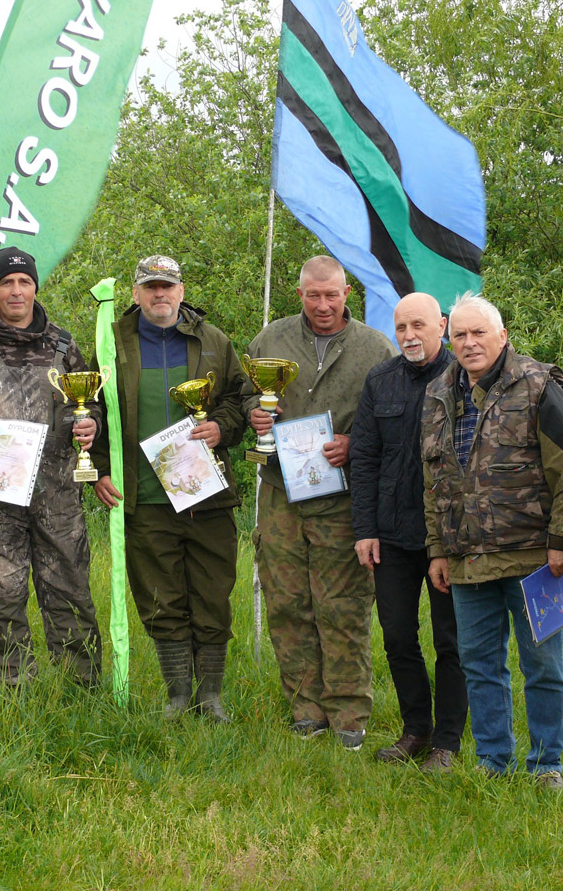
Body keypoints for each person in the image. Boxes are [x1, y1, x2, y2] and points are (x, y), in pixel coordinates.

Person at [422, 292, 563, 787]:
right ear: (449, 338)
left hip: (537, 558)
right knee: (480, 666)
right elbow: (433, 481)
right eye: (460, 335)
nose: (469, 343)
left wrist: (561, 541)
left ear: (502, 336)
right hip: (467, 559)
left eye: (479, 333)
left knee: (542, 666)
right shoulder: (438, 394)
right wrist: (437, 550)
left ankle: (546, 764)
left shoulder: (539, 385)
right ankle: (494, 763)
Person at [245, 255, 396, 751]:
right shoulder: (271, 340)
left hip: (343, 497)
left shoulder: (375, 349)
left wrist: (355, 444)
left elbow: (390, 420)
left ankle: (349, 713)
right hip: (280, 493)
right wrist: (256, 416)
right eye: (314, 295)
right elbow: (247, 395)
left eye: (332, 295)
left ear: (347, 293)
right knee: (288, 602)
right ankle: (306, 709)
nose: (324, 304)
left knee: (343, 606)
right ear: (300, 294)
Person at [0, 247, 102, 687]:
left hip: (59, 494)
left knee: (69, 588)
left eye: (23, 281)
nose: (15, 290)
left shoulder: (65, 345)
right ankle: (11, 692)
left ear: (35, 287)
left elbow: (94, 405)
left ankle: (80, 685)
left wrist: (91, 426)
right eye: (6, 283)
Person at [90, 255, 247, 722]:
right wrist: (99, 468)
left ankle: (211, 696)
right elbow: (91, 412)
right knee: (161, 598)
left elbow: (241, 398)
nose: (160, 295)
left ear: (181, 290)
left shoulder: (214, 341)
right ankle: (178, 696)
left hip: (206, 495)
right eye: (150, 287)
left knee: (213, 595)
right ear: (136, 294)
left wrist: (221, 427)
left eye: (168, 286)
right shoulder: (110, 342)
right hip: (143, 496)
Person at [351, 292, 467, 772]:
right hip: (392, 535)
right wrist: (365, 529)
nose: (409, 336)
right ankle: (415, 730)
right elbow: (363, 457)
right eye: (401, 328)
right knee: (397, 636)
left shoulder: (466, 379)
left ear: (441, 325)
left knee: (450, 641)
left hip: (451, 537)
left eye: (418, 325)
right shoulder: (380, 381)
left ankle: (448, 741)